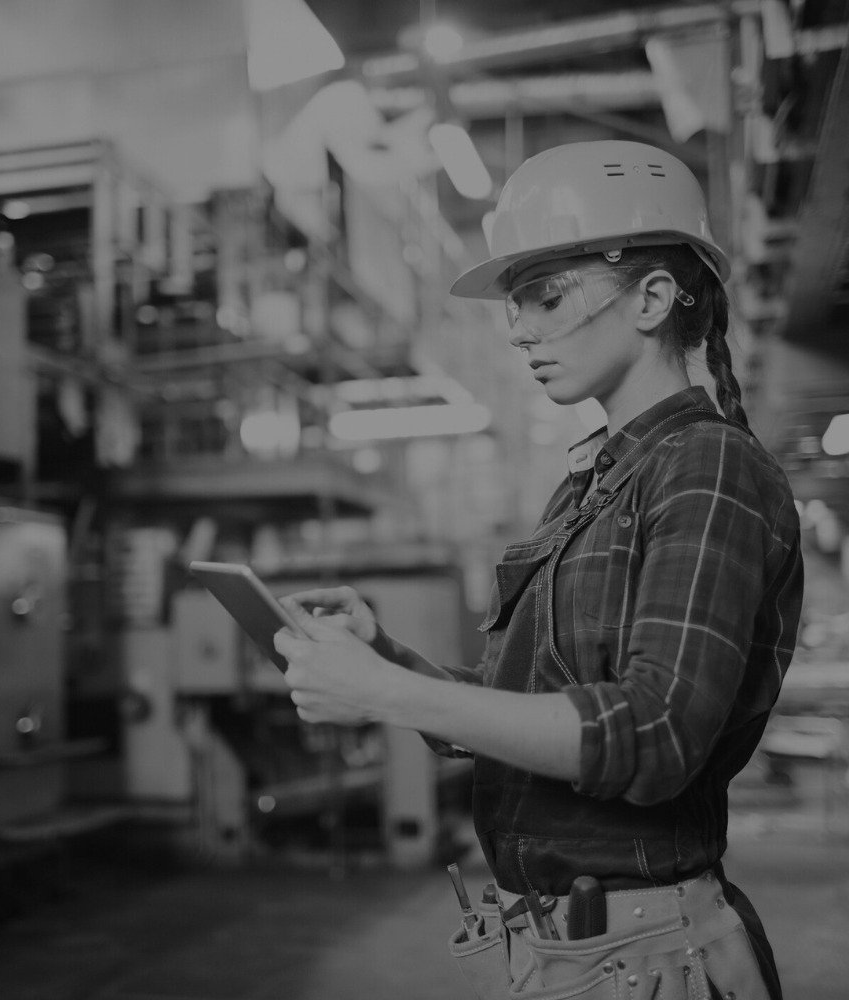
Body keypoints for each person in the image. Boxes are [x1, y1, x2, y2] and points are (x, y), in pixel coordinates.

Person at [274, 140, 803, 1000]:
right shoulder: (592, 485)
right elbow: (522, 714)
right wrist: (388, 662)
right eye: (516, 304)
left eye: (546, 297)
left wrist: (385, 696)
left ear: (654, 298)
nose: (518, 327)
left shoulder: (707, 469)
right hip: (573, 952)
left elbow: (656, 732)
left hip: (645, 956)